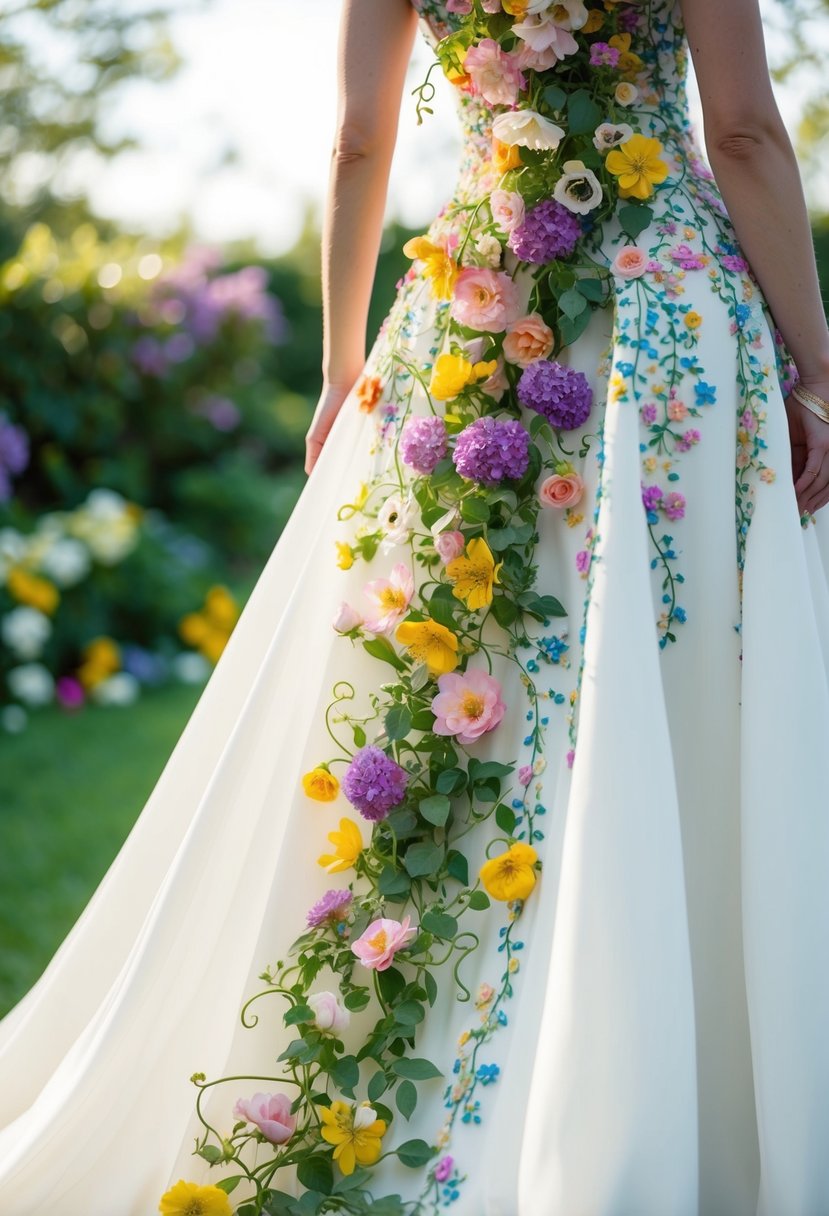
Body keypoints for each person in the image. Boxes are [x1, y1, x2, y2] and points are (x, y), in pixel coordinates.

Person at [0, 0, 828, 1213]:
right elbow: (747, 130)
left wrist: (344, 369)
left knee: (478, 683)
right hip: (665, 321)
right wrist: (816, 359)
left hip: (471, 316)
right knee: (674, 676)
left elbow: (356, 143)